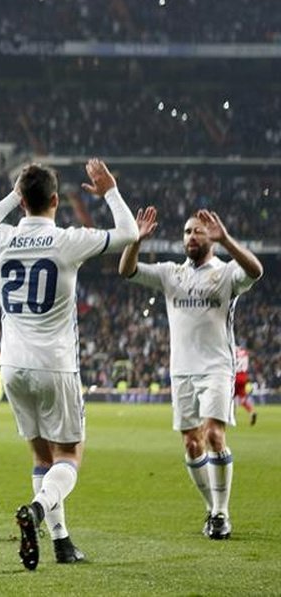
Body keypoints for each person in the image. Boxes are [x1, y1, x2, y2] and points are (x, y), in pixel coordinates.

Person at [0, 160, 139, 570]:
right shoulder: (67, 240)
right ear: (56, 201)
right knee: (69, 455)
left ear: (23, 200)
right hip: (55, 364)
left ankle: (61, 542)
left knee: (41, 457)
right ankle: (38, 510)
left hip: (11, 365)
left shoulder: (2, 238)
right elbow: (130, 234)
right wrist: (111, 191)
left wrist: (13, 195)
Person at [119, 206, 263, 540]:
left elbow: (256, 271)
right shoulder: (171, 273)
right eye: (187, 231)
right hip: (181, 371)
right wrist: (136, 241)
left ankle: (222, 513)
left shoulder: (226, 273)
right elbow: (127, 270)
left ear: (210, 236)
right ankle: (212, 509)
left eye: (198, 231)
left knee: (213, 435)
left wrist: (226, 238)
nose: (191, 236)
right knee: (191, 443)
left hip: (217, 368)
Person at [233, 346, 256, 426]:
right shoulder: (245, 353)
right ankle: (251, 412)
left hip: (235, 377)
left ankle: (232, 417)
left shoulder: (233, 352)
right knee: (243, 399)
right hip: (243, 377)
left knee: (230, 398)